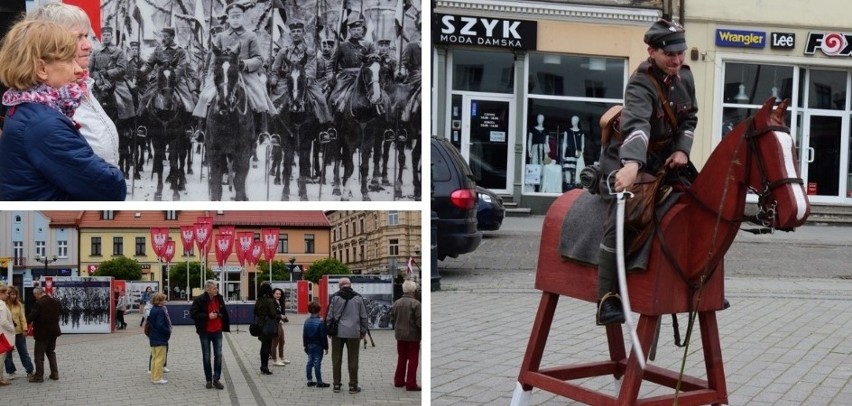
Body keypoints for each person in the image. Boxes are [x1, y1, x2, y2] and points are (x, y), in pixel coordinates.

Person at [595, 19, 698, 325]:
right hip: (627, 156)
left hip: (666, 157)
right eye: (670, 54)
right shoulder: (641, 83)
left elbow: (689, 118)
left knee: (701, 199)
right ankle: (606, 297)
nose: (677, 60)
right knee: (625, 211)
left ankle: (695, 279)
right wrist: (631, 165)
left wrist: (682, 150)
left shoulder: (685, 77)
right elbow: (637, 126)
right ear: (652, 51)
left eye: (680, 53)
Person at [0, 19, 126, 201]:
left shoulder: (25, 108)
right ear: (41, 68)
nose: (78, 70)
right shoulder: (44, 125)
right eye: (69, 60)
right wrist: (112, 169)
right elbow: (111, 187)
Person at [26, 2, 122, 169]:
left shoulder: (82, 85)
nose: (88, 45)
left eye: (87, 36)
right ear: (50, 43)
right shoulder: (48, 103)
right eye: (78, 37)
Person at [192, 2, 275, 134]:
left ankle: (263, 132)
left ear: (243, 18)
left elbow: (259, 58)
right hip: (224, 75)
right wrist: (209, 78)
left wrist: (245, 64)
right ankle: (201, 131)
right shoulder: (221, 36)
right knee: (204, 96)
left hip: (246, 75)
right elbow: (214, 61)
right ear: (228, 18)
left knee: (260, 96)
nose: (235, 20)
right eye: (233, 17)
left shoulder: (250, 36)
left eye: (238, 16)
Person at [269, 20, 336, 136]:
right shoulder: (283, 52)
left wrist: (307, 80)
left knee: (320, 99)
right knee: (274, 100)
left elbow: (311, 69)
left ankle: (325, 128)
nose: (296, 33)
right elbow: (274, 69)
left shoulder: (309, 52)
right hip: (286, 82)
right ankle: (272, 131)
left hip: (304, 81)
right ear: (290, 34)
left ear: (303, 33)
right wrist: (274, 78)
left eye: (298, 31)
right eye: (293, 31)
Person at [135, 27, 198, 117]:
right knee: (145, 98)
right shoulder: (158, 50)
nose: (163, 39)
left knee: (188, 101)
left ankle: (189, 125)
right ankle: (140, 125)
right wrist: (141, 71)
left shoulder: (180, 51)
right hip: (159, 79)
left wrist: (170, 78)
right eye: (162, 36)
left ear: (172, 37)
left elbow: (181, 68)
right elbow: (149, 64)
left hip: (176, 80)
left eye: (166, 36)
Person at [326, 277, 369, 394]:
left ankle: (336, 385)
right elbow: (364, 316)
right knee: (353, 360)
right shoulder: (358, 298)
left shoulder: (335, 297)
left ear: (340, 286)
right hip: (354, 333)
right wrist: (363, 332)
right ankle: (353, 386)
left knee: (336, 359)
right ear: (350, 285)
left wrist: (329, 331)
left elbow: (329, 316)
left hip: (338, 333)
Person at [329, 13, 377, 115]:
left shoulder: (369, 45)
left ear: (363, 30)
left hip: (365, 77)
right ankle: (332, 122)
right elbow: (332, 63)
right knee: (334, 98)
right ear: (350, 31)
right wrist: (330, 74)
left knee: (380, 96)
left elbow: (374, 61)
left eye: (358, 29)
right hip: (346, 77)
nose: (356, 32)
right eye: (353, 30)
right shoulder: (342, 45)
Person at [190, 280, 230, 389]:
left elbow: (223, 311)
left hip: (217, 331)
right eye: (214, 288)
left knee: (218, 355)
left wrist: (220, 316)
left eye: (216, 288)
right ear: (207, 289)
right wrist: (208, 316)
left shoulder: (219, 298)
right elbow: (193, 314)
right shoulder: (199, 300)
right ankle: (208, 380)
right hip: (205, 332)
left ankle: (216, 379)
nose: (216, 290)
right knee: (206, 357)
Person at [391, 280, 421, 391]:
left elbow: (392, 318)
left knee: (401, 357)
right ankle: (411, 383)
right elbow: (419, 321)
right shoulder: (416, 304)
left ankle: (398, 381)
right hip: (413, 336)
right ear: (413, 290)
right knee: (413, 359)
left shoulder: (397, 303)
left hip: (400, 335)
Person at [27, 287, 62, 383]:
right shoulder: (56, 301)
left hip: (42, 333)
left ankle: (39, 376)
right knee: (51, 352)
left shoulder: (39, 303)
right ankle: (55, 373)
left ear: (37, 294)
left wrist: (28, 320)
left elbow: (31, 317)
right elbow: (61, 312)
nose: (36, 298)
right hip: (54, 332)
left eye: (35, 296)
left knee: (39, 355)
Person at [3, 286, 34, 380]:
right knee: (7, 354)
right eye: (12, 294)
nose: (14, 296)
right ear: (8, 294)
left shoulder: (19, 304)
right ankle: (11, 371)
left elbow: (22, 318)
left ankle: (30, 370)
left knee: (23, 352)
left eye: (15, 294)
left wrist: (25, 329)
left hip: (19, 332)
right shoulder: (3, 304)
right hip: (7, 332)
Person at [303, 301, 329, 388]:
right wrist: (326, 347)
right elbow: (323, 336)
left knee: (309, 362)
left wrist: (305, 345)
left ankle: (309, 380)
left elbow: (304, 335)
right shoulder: (321, 322)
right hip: (318, 345)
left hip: (309, 344)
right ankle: (319, 382)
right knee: (317, 362)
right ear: (319, 310)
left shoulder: (306, 321)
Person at [147, 293, 171, 384]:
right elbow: (160, 325)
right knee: (160, 359)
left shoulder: (153, 309)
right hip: (160, 337)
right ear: (159, 301)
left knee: (154, 358)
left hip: (153, 336)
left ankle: (154, 376)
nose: (165, 301)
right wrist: (167, 331)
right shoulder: (160, 310)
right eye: (164, 299)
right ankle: (157, 378)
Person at [254, 283, 277, 375]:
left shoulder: (258, 300)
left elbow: (255, 312)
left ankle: (262, 365)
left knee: (263, 345)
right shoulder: (269, 301)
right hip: (268, 325)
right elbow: (273, 314)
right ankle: (265, 367)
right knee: (267, 346)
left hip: (261, 323)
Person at [562, 115, 584, 188]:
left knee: (576, 168)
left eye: (574, 120)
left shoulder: (581, 132)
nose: (572, 121)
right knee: (568, 168)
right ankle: (568, 183)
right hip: (569, 151)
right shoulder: (567, 131)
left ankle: (575, 183)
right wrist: (563, 153)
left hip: (577, 152)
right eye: (572, 120)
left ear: (577, 121)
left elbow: (582, 143)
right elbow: (565, 142)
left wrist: (582, 152)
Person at [270, 287, 290, 366]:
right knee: (275, 343)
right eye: (277, 294)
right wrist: (280, 316)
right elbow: (273, 314)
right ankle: (275, 360)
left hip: (280, 323)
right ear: (273, 294)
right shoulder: (272, 302)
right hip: (274, 324)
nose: (278, 295)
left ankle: (281, 357)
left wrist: (284, 318)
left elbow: (282, 313)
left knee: (282, 341)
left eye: (280, 294)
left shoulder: (280, 302)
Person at [0, 285, 14, 385]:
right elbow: (4, 321)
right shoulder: (2, 305)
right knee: (1, 357)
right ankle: (0, 379)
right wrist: (12, 328)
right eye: (6, 293)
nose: (8, 295)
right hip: (3, 334)